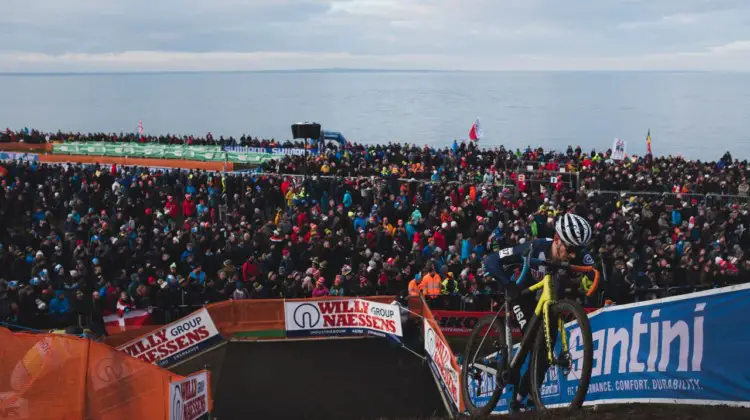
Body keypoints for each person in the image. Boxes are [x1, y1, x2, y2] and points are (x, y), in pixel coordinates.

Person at [482, 213, 595, 411]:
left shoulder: (577, 253)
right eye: (569, 250)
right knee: (534, 339)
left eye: (578, 251)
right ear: (558, 239)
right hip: (522, 296)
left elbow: (595, 271)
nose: (573, 256)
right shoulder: (534, 247)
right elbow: (491, 260)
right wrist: (508, 284)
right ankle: (511, 372)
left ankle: (520, 399)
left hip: (548, 301)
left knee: (546, 349)